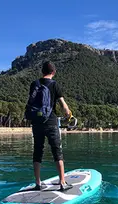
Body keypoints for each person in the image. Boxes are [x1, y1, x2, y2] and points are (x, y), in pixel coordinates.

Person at [28, 61, 73, 191]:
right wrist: (69, 115)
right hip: (51, 121)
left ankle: (38, 183)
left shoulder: (34, 84)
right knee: (56, 151)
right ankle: (62, 183)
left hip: (36, 122)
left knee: (38, 151)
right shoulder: (54, 85)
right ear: (53, 72)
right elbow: (64, 106)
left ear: (42, 72)